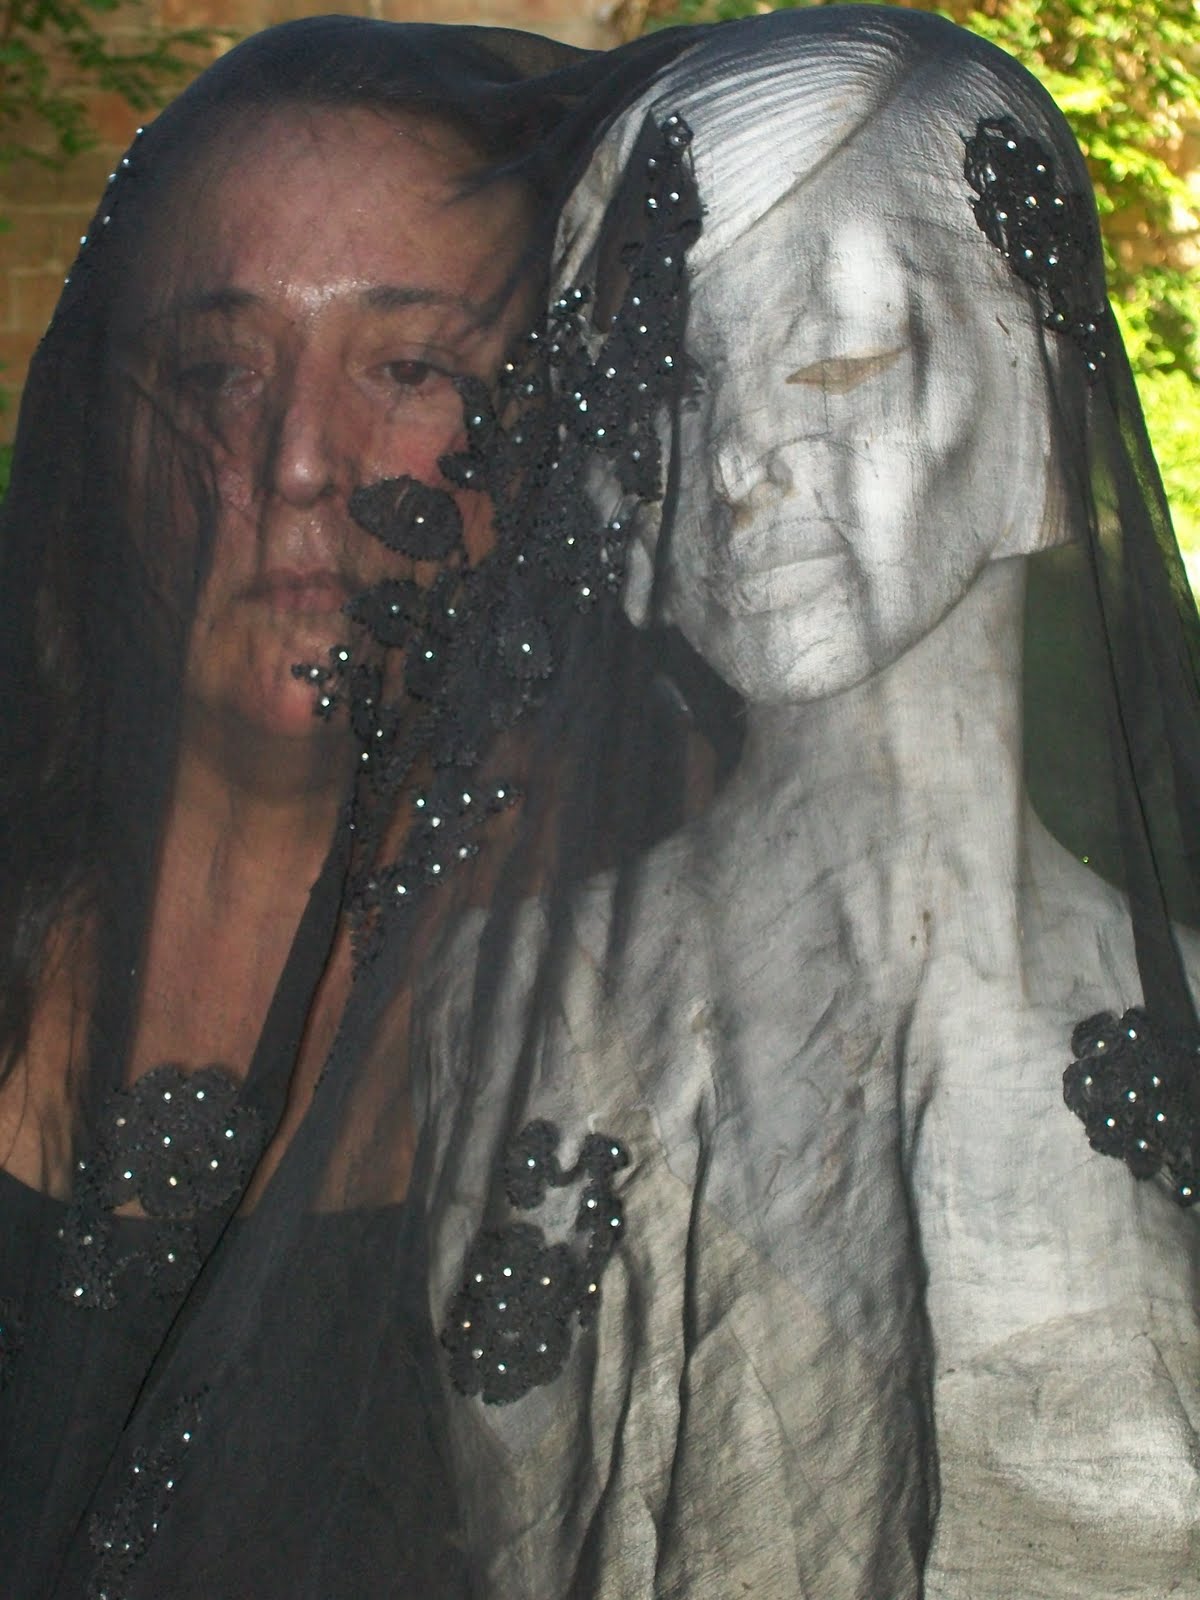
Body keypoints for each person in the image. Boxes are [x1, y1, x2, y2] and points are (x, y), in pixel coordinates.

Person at [1, 7, 1197, 1599]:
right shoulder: (538, 1014)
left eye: (411, 366)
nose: (297, 462)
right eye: (216, 369)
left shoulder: (582, 977)